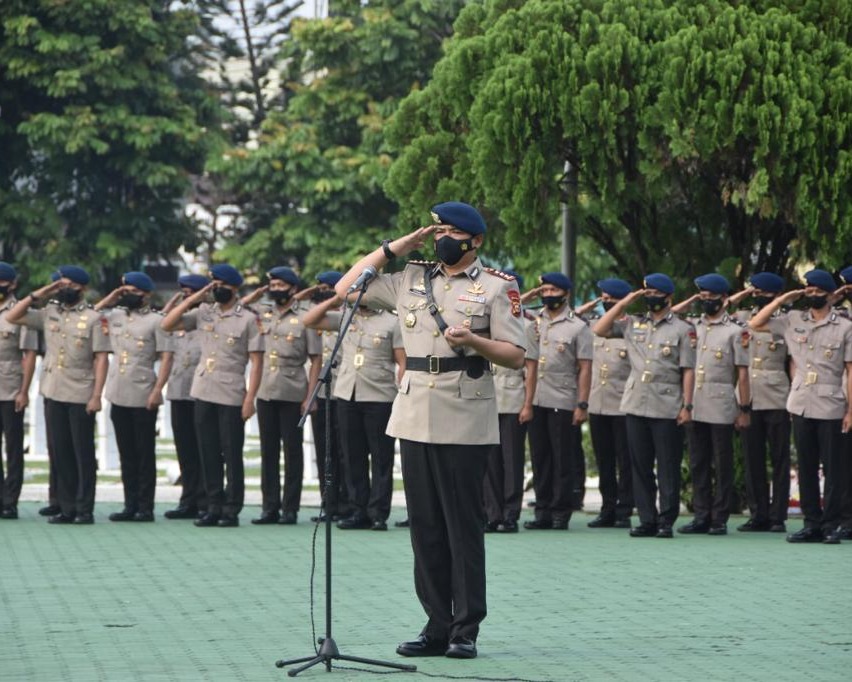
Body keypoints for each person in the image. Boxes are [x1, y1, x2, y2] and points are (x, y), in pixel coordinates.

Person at [334, 201, 526, 660]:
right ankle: (436, 624)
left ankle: (465, 628)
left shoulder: (498, 288)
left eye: (451, 231)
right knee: (425, 527)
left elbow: (516, 354)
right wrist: (394, 247)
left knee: (462, 526)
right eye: (437, 229)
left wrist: (475, 341)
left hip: (464, 411)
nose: (442, 237)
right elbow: (345, 288)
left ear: (474, 240)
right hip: (415, 410)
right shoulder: (410, 279)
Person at [749, 269, 852, 544]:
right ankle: (811, 524)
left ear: (831, 295)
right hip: (801, 401)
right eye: (809, 290)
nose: (813, 295)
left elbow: (850, 370)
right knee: (805, 466)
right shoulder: (793, 319)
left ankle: (831, 525)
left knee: (832, 468)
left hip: (831, 401)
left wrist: (850, 410)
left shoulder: (844, 326)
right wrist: (784, 299)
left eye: (819, 291)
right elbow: (756, 323)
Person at [593, 273, 695, 539]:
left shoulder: (682, 329)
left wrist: (688, 405)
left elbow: (687, 370)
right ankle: (647, 518)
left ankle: (665, 520)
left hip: (667, 403)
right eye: (646, 294)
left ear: (668, 298)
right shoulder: (633, 323)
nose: (650, 299)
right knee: (640, 466)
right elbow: (600, 329)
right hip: (636, 403)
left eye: (655, 294)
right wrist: (626, 301)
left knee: (667, 466)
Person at [161, 264, 264, 528]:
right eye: (212, 285)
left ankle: (231, 509)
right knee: (207, 452)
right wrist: (195, 298)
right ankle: (212, 505)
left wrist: (249, 398)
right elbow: (167, 323)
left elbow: (256, 362)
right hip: (203, 390)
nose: (216, 290)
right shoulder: (205, 312)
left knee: (230, 454)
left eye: (220, 286)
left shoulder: (248, 319)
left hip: (231, 393)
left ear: (234, 288)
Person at [7, 265, 110, 524]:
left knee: (82, 452)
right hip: (52, 389)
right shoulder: (50, 311)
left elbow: (101, 359)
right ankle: (66, 507)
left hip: (80, 390)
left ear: (82, 288)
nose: (64, 290)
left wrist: (97, 395)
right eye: (60, 285)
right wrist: (44, 291)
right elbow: (14, 316)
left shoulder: (94, 318)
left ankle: (84, 508)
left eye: (69, 285)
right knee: (60, 451)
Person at [303, 290, 404, 531]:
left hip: (380, 396)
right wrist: (336, 300)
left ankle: (378, 512)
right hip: (347, 393)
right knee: (351, 456)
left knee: (381, 458)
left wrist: (403, 397)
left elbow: (403, 362)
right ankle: (358, 510)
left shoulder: (392, 321)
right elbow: (309, 320)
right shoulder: (346, 317)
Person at [242, 266, 321, 525]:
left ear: (293, 289)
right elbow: (237, 309)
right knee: (269, 452)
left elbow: (316, 359)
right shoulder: (263, 314)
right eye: (272, 286)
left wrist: (311, 396)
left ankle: (290, 508)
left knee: (292, 452)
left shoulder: (306, 317)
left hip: (292, 390)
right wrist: (258, 294)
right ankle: (269, 507)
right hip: (266, 390)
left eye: (280, 286)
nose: (276, 290)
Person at [673, 274, 750, 536]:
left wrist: (744, 408)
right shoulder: (694, 326)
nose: (705, 302)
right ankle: (701, 515)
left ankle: (719, 517)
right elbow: (671, 314)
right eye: (702, 297)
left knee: (722, 462)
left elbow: (742, 374)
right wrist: (693, 299)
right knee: (698, 462)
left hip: (721, 403)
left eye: (710, 298)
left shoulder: (735, 331)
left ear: (724, 300)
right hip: (695, 401)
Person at [95, 272, 175, 522]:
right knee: (125, 452)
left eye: (133, 291)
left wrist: (157, 390)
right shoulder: (116, 315)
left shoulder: (156, 321)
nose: (128, 295)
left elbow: (166, 358)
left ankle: (145, 506)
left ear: (146, 295)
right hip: (118, 391)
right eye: (125, 290)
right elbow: (90, 316)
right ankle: (129, 504)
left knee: (143, 452)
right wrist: (112, 297)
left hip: (143, 392)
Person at [524, 272, 592, 531]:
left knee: (562, 458)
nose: (548, 295)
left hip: (563, 399)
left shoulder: (578, 327)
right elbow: (530, 366)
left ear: (565, 294)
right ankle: (542, 510)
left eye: (553, 291)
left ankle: (560, 512)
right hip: (538, 397)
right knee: (540, 457)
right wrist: (527, 404)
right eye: (544, 291)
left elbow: (585, 368)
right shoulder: (535, 323)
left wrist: (582, 404)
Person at [728, 272, 791, 532]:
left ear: (773, 294)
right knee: (752, 459)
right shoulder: (743, 317)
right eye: (753, 291)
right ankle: (758, 514)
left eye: (759, 290)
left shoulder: (788, 320)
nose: (755, 294)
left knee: (779, 459)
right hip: (749, 395)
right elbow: (722, 311)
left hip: (777, 395)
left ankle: (778, 516)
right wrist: (741, 294)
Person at [483, 269, 537, 534]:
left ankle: (510, 513)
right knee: (490, 460)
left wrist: (528, 404)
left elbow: (531, 370)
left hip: (514, 397)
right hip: (487, 397)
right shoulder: (485, 321)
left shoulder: (526, 325)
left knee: (511, 459)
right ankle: (492, 513)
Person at [581, 278, 634, 529]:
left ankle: (625, 509)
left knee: (625, 461)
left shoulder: (632, 327)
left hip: (623, 403)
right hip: (597, 402)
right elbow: (570, 317)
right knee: (604, 460)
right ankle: (607, 508)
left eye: (608, 298)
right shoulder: (593, 325)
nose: (603, 301)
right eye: (601, 297)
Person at [162, 274, 210, 519]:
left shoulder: (208, 317)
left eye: (190, 292)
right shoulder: (179, 321)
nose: (186, 296)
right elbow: (164, 321)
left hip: (201, 391)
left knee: (203, 448)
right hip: (179, 390)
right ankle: (188, 499)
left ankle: (204, 500)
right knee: (184, 449)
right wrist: (178, 300)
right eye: (183, 292)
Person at [306, 271, 350, 522]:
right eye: (319, 287)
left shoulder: (350, 314)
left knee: (344, 450)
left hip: (345, 390)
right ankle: (329, 503)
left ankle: (346, 502)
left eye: (327, 287)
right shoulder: (323, 314)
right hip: (324, 391)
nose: (321, 290)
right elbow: (308, 320)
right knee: (325, 450)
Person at [0, 262, 39, 519]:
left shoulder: (21, 312)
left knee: (14, 447)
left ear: (12, 284)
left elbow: (30, 354)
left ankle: (10, 500)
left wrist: (24, 390)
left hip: (11, 386)